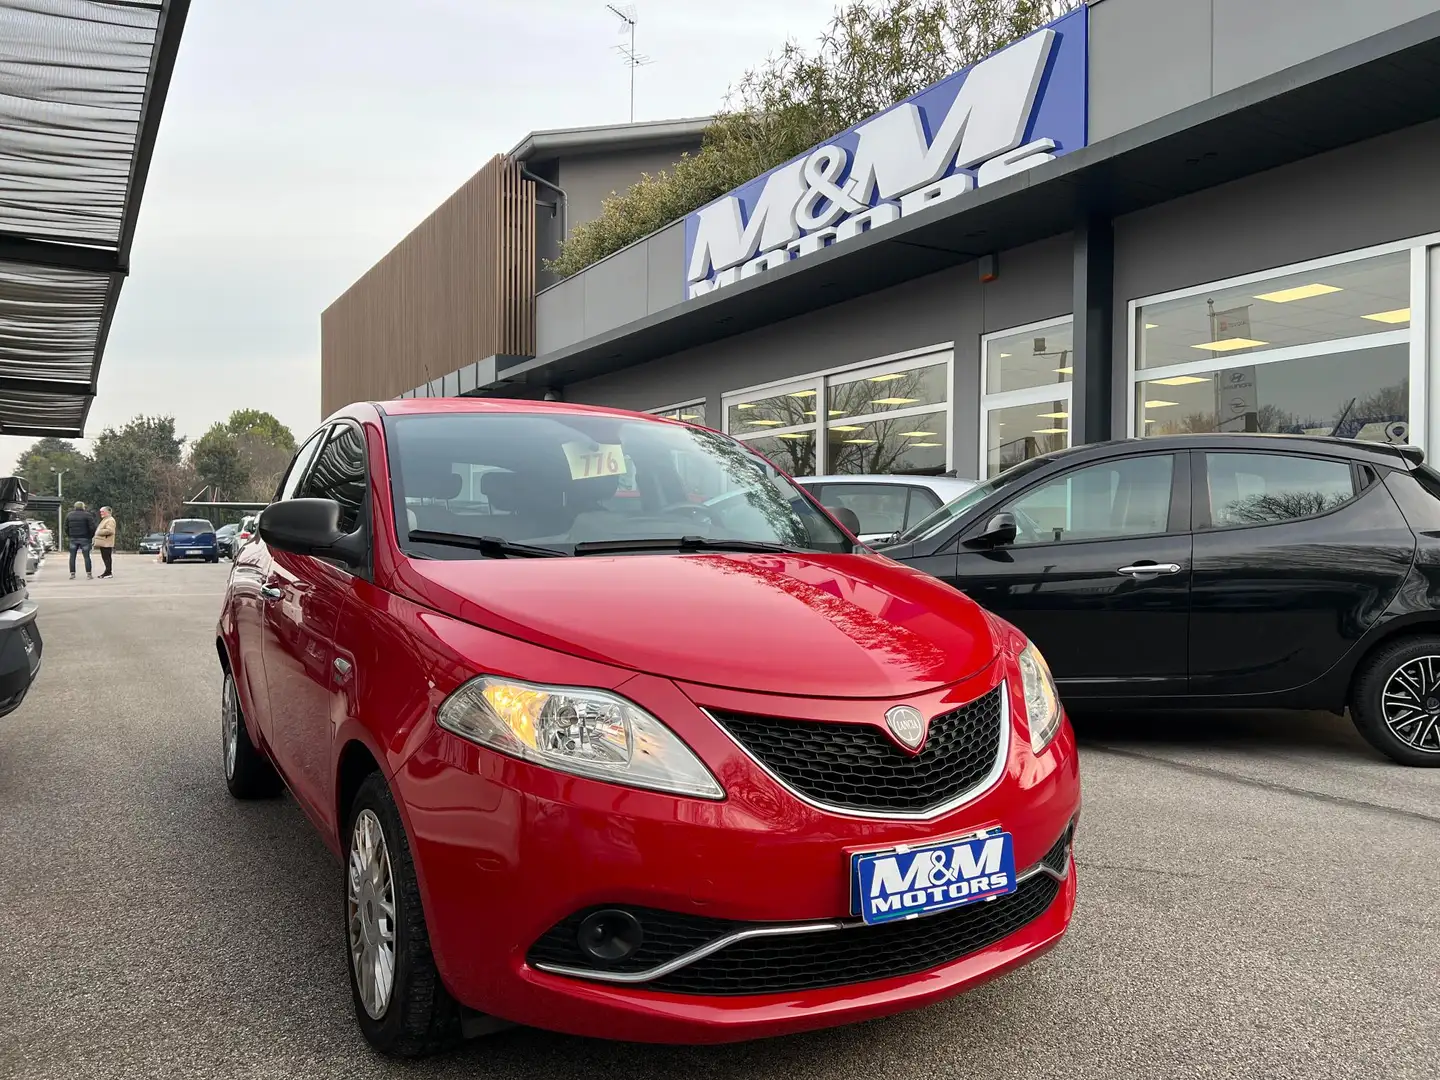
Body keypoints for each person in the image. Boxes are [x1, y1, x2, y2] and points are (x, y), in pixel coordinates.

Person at [63, 500, 97, 580]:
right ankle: (89, 574)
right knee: (86, 556)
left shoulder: (69, 515)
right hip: (85, 538)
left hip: (73, 538)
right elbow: (92, 527)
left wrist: (70, 535)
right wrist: (90, 536)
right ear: (83, 507)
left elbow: (66, 527)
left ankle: (72, 574)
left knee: (72, 556)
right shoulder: (88, 515)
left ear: (74, 507)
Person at [93, 506, 117, 579]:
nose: (101, 513)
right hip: (103, 543)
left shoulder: (110, 520)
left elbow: (110, 531)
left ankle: (108, 572)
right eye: (100, 512)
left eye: (102, 511)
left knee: (107, 558)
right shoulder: (105, 519)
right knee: (105, 558)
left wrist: (99, 532)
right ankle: (107, 572)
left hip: (107, 543)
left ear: (108, 512)